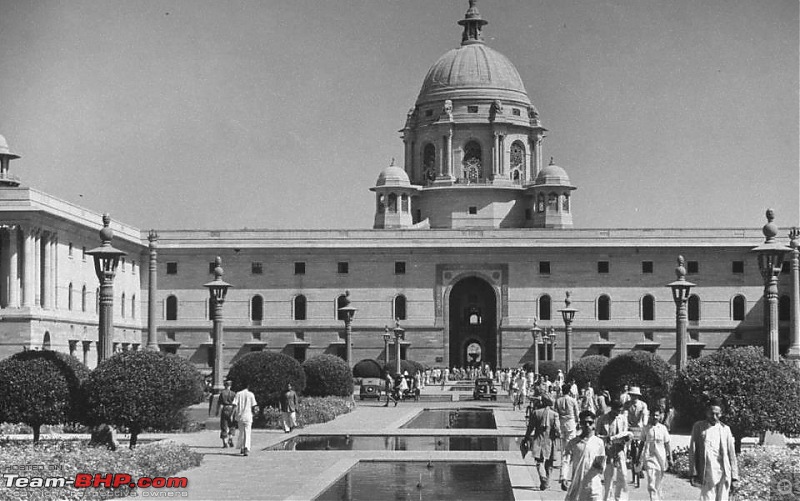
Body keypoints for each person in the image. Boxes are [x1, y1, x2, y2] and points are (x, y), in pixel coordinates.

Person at [689, 399, 738, 501]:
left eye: (717, 414)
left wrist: (734, 477)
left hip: (724, 472)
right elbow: (693, 450)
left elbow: (731, 455)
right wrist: (693, 472)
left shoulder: (725, 429)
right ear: (707, 412)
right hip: (707, 472)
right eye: (712, 414)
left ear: (721, 414)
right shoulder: (699, 427)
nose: (714, 417)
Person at [562, 410, 606, 501]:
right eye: (584, 422)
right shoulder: (573, 443)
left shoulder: (598, 442)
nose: (587, 425)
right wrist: (564, 477)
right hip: (578, 483)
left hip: (593, 484)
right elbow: (566, 460)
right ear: (580, 424)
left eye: (590, 422)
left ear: (594, 424)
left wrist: (599, 467)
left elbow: (601, 463)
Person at [596, 400, 631, 501]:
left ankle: (620, 498)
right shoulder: (602, 419)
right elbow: (596, 435)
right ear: (612, 408)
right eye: (617, 411)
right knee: (608, 476)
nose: (618, 413)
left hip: (619, 449)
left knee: (623, 474)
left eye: (620, 411)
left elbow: (625, 433)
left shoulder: (622, 418)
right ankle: (607, 498)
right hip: (607, 450)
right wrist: (606, 438)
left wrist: (626, 440)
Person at [523, 394, 560, 491]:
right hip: (550, 440)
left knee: (539, 461)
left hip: (538, 439)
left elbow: (530, 427)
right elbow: (557, 429)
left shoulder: (535, 413)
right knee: (550, 463)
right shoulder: (554, 414)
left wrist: (526, 437)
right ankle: (546, 482)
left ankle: (542, 477)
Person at [638, 407, 672, 501]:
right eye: (653, 415)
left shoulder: (663, 428)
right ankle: (653, 498)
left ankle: (658, 498)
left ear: (660, 416)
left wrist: (671, 458)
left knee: (658, 480)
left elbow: (667, 443)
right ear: (650, 416)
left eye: (657, 415)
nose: (655, 417)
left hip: (661, 457)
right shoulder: (646, 428)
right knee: (651, 479)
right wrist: (638, 457)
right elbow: (641, 443)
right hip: (649, 456)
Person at [554, 383, 580, 483]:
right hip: (570, 424)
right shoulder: (572, 400)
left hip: (561, 424)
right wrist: (578, 422)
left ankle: (563, 474)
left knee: (564, 449)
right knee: (571, 449)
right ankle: (569, 474)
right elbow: (577, 413)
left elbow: (556, 413)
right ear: (569, 390)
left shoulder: (558, 400)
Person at [625, 386, 649, 485]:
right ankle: (629, 459)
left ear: (638, 396)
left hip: (639, 429)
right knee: (627, 446)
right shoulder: (626, 404)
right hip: (630, 428)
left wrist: (644, 426)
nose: (633, 397)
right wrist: (625, 425)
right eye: (632, 395)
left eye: (635, 396)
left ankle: (640, 467)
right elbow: (624, 415)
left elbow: (645, 416)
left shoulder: (643, 405)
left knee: (641, 448)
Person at [233, 382, 258, 456]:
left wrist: (233, 415)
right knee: (247, 432)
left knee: (241, 432)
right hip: (248, 415)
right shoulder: (251, 394)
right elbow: (254, 406)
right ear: (248, 386)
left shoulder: (238, 394)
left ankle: (242, 447)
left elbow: (234, 404)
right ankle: (246, 447)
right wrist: (255, 413)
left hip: (240, 416)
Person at [215, 379, 237, 448]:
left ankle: (225, 442)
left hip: (224, 408)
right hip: (231, 409)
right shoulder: (233, 393)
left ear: (225, 385)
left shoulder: (222, 393)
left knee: (224, 425)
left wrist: (217, 411)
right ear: (230, 386)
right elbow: (235, 404)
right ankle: (230, 437)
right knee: (232, 425)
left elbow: (219, 403)